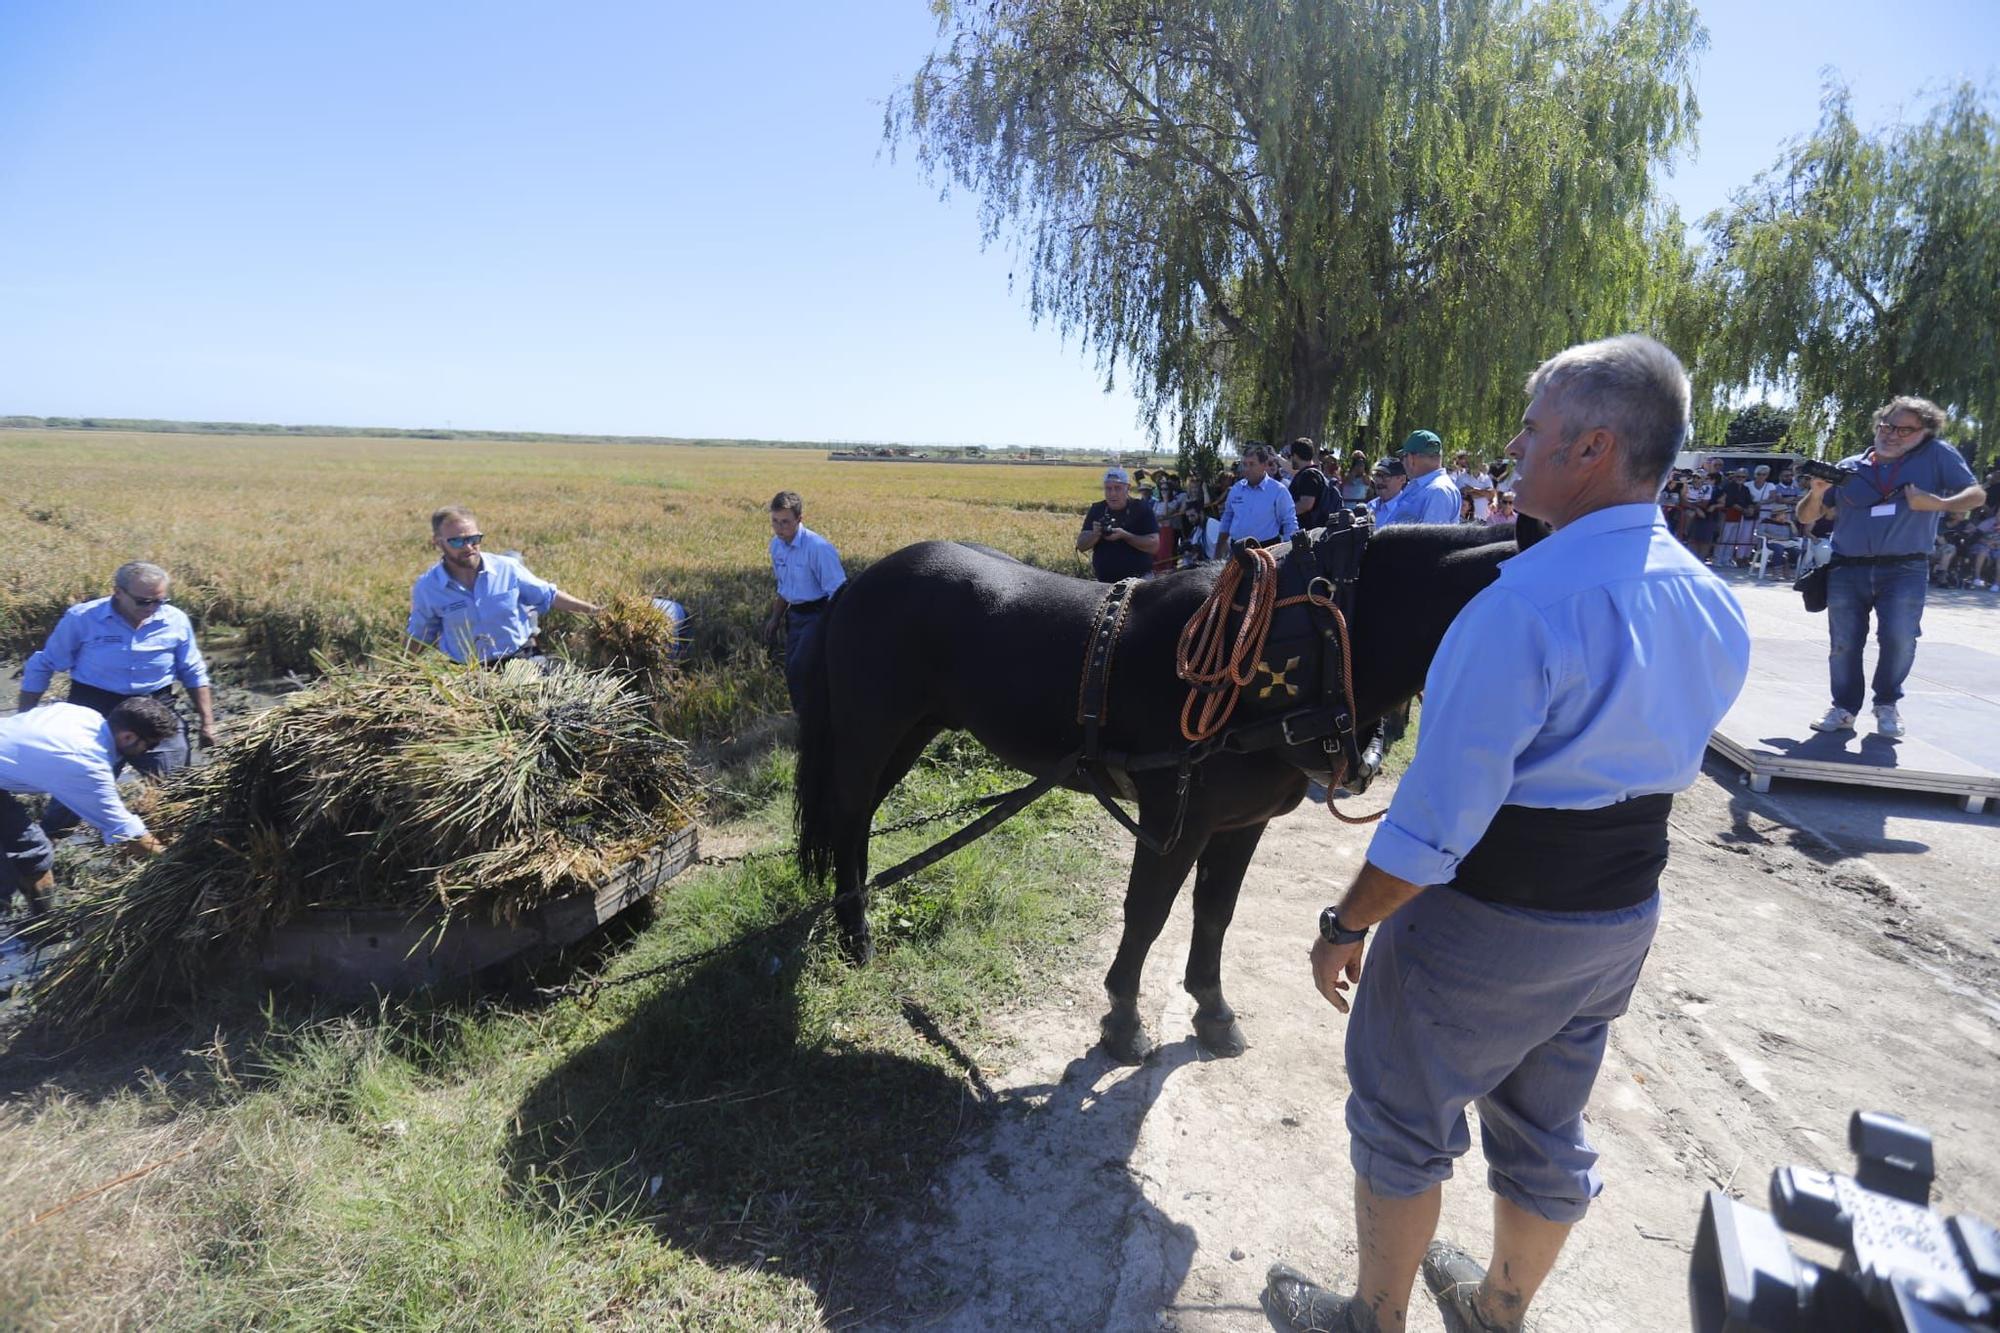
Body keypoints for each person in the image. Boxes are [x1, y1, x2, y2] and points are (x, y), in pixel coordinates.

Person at [1265, 334, 1750, 1333]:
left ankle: (1369, 1318)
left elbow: (1430, 829)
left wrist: (1342, 922)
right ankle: (1495, 1311)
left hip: (1487, 919)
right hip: (1618, 916)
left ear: (1591, 448)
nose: (1512, 449)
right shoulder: (1708, 600)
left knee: (1399, 1120)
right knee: (1544, 1126)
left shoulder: (1520, 610)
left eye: (1531, 432)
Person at [1797, 396, 1983, 738]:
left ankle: (1886, 704)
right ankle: (1843, 708)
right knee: (1844, 642)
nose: (1893, 434)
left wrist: (1940, 503)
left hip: (1904, 569)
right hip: (1846, 568)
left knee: (1899, 639)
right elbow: (1807, 517)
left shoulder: (1937, 455)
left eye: (1905, 429)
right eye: (1887, 426)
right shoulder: (1850, 466)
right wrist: (1817, 492)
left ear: (1924, 432)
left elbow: (1976, 495)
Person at [18, 561, 216, 839]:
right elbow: (45, 663)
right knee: (73, 798)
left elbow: (193, 671)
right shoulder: (83, 618)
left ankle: (169, 854)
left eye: (159, 601)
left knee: (176, 791)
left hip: (153, 710)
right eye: (143, 601)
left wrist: (208, 723)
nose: (151, 608)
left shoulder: (175, 620)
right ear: (118, 593)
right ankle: (46, 851)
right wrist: (25, 715)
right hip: (93, 712)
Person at [2, 696, 175, 934]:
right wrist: (177, 861)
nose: (150, 751)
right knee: (3, 881)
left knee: (35, 853)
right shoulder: (86, 763)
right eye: (151, 745)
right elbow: (128, 834)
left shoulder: (81, 714)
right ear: (128, 737)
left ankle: (45, 929)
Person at [409, 507, 601, 665]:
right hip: (467, 672)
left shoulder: (507, 569)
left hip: (520, 661)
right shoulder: (428, 587)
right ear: (437, 542)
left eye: (473, 539)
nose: (468, 547)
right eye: (457, 541)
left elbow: (548, 595)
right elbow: (420, 633)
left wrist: (596, 612)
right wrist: (402, 669)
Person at [760, 490, 849, 711]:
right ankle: (802, 717)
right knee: (792, 668)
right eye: (775, 521)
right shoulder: (776, 546)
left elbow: (838, 592)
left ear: (800, 519)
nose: (780, 528)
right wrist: (775, 618)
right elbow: (784, 587)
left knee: (802, 667)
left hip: (818, 615)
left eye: (785, 522)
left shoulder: (818, 548)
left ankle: (812, 718)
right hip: (795, 616)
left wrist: (832, 628)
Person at [1077, 466, 1160, 583]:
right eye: (1108, 489)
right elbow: (1081, 545)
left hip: (1139, 581)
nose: (1113, 493)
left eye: (1118, 488)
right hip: (1103, 582)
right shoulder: (1097, 509)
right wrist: (1095, 535)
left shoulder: (1141, 508)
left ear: (1128, 488)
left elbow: (1154, 545)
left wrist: (1125, 535)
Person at [1215, 445, 1300, 551]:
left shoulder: (1278, 490)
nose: (1247, 469)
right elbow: (1227, 520)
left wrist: (1289, 551)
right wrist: (1218, 550)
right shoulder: (1236, 489)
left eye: (1252, 464)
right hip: (1237, 551)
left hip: (1267, 551)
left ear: (1264, 465)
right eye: (1245, 464)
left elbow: (1289, 523)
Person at [1393, 431, 1463, 525]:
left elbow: (1432, 538)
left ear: (1411, 459)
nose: (1403, 462)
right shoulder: (1424, 486)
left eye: (1403, 457)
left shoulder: (1438, 491)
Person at [1287, 438, 1339, 531]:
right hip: (1315, 530)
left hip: (1310, 532)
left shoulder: (1308, 475)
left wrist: (1284, 513)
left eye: (1291, 456)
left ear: (1295, 456)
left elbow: (1306, 504)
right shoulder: (1313, 473)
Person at [1367, 457, 1411, 524]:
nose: (1379, 481)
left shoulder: (1408, 508)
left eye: (1386, 476)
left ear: (1402, 479)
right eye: (1376, 476)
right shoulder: (1371, 506)